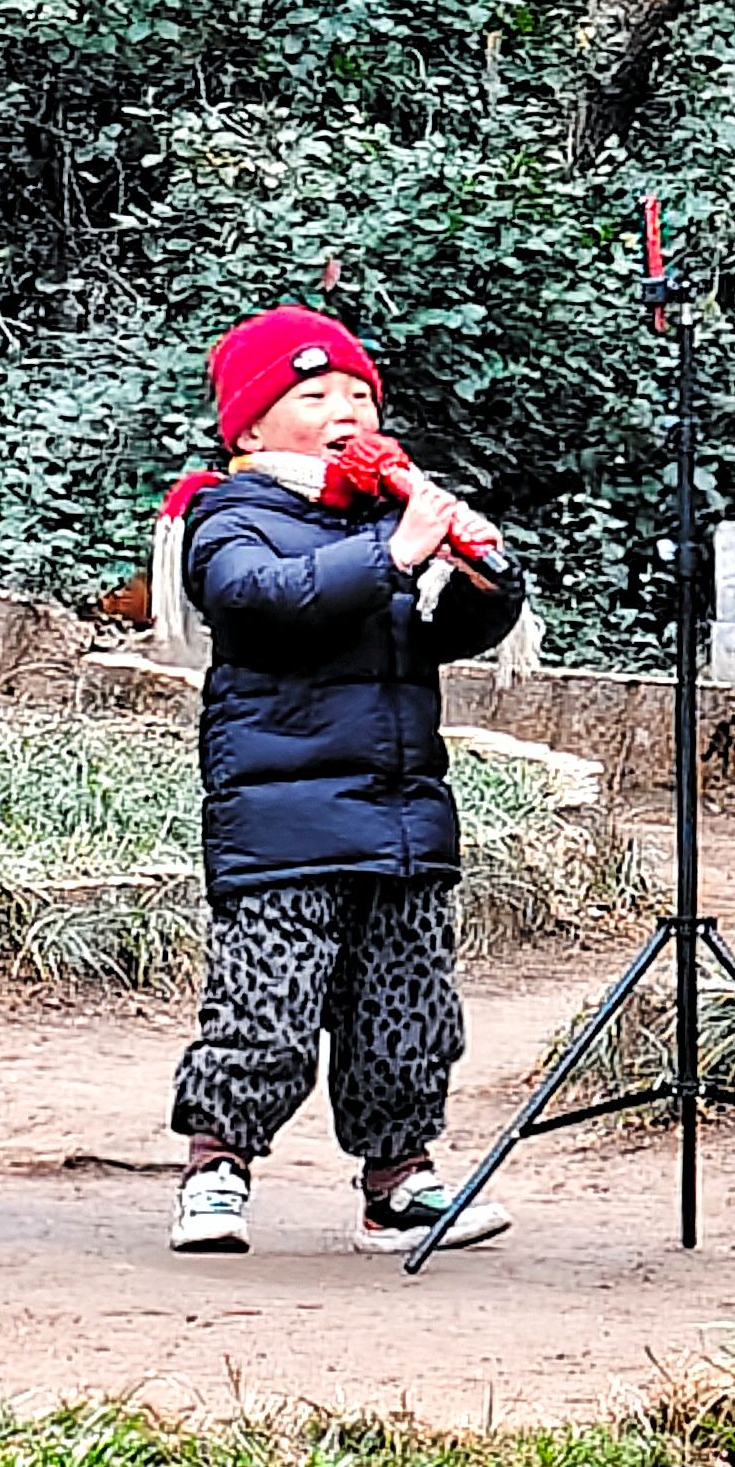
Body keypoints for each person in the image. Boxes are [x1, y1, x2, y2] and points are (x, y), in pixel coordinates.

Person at [161, 307, 527, 1259]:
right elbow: (261, 600)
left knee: (407, 1010)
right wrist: (395, 553)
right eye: (313, 395)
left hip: (400, 814)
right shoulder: (227, 515)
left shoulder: (381, 512)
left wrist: (481, 581)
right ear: (246, 429)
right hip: (279, 820)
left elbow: (429, 633)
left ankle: (397, 1182)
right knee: (265, 1005)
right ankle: (215, 1169)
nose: (345, 410)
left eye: (359, 394)